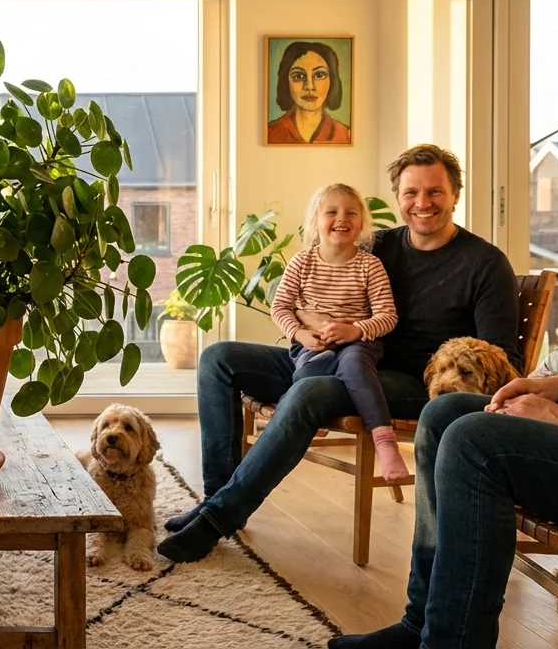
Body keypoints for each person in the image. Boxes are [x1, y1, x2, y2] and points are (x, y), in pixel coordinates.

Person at [158, 144, 521, 565]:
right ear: (397, 198)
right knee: (218, 357)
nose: (422, 203)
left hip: (408, 380)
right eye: (411, 193)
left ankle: (216, 521)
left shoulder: (484, 263)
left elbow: (502, 359)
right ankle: (216, 497)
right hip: (327, 353)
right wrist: (308, 325)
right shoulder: (375, 246)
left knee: (310, 393)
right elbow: (313, 286)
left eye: (435, 192)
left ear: (455, 194)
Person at [331, 259, 558, 648]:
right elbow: (539, 379)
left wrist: (557, 413)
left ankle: (451, 641)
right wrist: (555, 383)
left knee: (473, 439)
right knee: (440, 413)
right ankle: (420, 620)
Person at [271, 183, 406, 483]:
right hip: (313, 344)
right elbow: (280, 307)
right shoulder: (302, 262)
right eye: (331, 212)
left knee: (354, 364)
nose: (341, 218)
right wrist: (299, 334)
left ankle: (384, 440)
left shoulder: (370, 266)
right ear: (315, 221)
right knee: (309, 371)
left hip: (358, 344)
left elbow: (388, 315)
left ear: (361, 223)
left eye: (351, 212)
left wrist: (356, 330)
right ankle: (303, 414)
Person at [266, 41, 352, 145]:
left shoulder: (346, 134)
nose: (309, 86)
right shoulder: (270, 133)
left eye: (319, 75)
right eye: (298, 76)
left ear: (332, 81)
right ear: (286, 82)